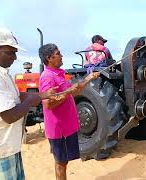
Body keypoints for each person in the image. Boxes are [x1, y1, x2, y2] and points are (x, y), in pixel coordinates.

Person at [0, 27, 56, 180]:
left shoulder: (1, 73)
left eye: (15, 52)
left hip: (8, 148)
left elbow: (18, 95)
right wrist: (31, 100)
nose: (15, 57)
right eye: (10, 52)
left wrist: (43, 95)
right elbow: (9, 116)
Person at [38, 43, 100, 180]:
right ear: (49, 58)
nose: (61, 56)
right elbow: (48, 104)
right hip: (58, 130)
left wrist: (89, 78)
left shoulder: (58, 74)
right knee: (60, 163)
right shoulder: (47, 76)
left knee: (63, 161)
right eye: (58, 53)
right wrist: (69, 91)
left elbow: (74, 90)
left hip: (65, 128)